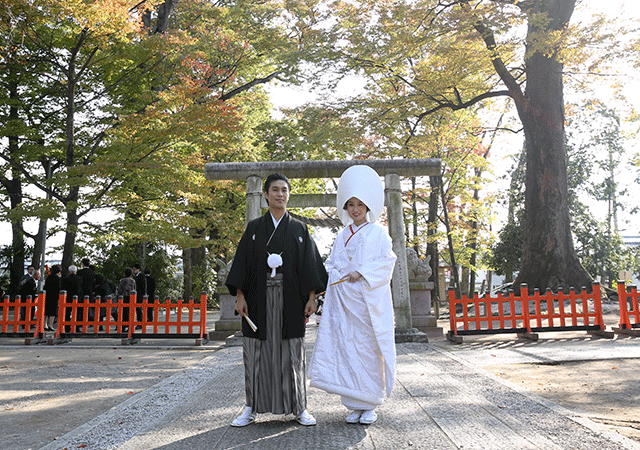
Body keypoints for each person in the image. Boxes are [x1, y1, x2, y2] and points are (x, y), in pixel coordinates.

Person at [226, 173, 328, 427]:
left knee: (292, 351)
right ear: (265, 195)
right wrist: (240, 297)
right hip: (258, 298)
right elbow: (242, 266)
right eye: (275, 190)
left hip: (291, 298)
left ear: (288, 194)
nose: (280, 194)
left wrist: (312, 297)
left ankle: (300, 408)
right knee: (255, 353)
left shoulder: (299, 228)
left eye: (284, 190)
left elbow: (310, 267)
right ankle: (251, 407)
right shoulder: (254, 229)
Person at [308, 165, 397, 425]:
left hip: (366, 303)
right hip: (344, 302)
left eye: (360, 204)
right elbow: (332, 263)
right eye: (350, 205)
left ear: (368, 206)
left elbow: (386, 262)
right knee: (346, 349)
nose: (355, 209)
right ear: (345, 208)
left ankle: (370, 403)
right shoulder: (342, 235)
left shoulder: (378, 233)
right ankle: (353, 402)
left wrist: (362, 272)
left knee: (368, 350)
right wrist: (334, 273)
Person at [61, 265, 84, 332]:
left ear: (69, 271)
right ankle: (77, 327)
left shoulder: (66, 279)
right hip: (78, 297)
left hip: (68, 297)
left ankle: (67, 327)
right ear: (76, 271)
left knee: (67, 313)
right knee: (78, 313)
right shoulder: (80, 279)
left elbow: (63, 288)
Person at [43, 265, 62, 331]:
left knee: (46, 310)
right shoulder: (58, 279)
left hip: (47, 295)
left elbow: (45, 287)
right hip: (54, 296)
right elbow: (59, 288)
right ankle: (50, 325)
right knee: (53, 311)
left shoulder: (48, 277)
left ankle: (45, 324)